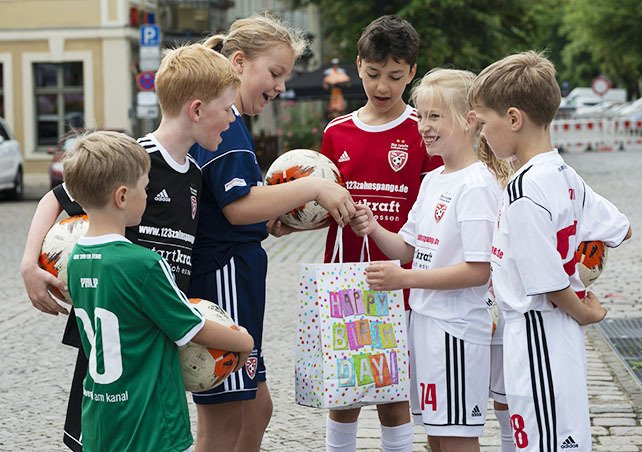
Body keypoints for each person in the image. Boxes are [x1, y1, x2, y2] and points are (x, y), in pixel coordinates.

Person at [19, 43, 241, 451]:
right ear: (196, 110)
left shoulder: (194, 173)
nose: (232, 119)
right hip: (115, 330)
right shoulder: (134, 160)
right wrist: (29, 264)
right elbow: (55, 197)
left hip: (156, 338)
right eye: (228, 109)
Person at [187, 14, 356, 452]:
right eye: (275, 73)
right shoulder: (225, 124)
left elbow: (235, 209)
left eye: (285, 77)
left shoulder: (233, 122)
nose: (280, 86)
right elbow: (237, 207)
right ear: (239, 62)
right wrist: (313, 187)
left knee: (256, 409)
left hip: (238, 273)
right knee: (224, 419)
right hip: (223, 276)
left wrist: (270, 221)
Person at [468, 51, 632, 452]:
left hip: (536, 331)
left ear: (513, 118)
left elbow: (549, 283)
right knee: (565, 435)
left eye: (484, 122)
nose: (482, 134)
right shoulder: (564, 173)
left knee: (544, 440)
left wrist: (586, 313)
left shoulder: (523, 190)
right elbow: (620, 228)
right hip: (559, 333)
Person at [351, 68, 514, 452]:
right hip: (424, 326)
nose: (423, 125)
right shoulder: (433, 179)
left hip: (456, 330)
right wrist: (373, 227)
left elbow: (478, 271)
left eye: (435, 116)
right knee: (438, 437)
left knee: (456, 437)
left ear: (469, 120)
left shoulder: (476, 185)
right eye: (421, 115)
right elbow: (408, 248)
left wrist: (405, 280)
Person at [62, 131, 254, 452]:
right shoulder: (145, 264)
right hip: (149, 426)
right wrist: (243, 341)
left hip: (99, 421)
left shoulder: (75, 259)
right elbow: (194, 327)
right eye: (145, 187)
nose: (148, 195)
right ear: (122, 197)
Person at [319, 15, 442, 452]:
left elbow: (434, 212)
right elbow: (320, 201)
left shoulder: (423, 131)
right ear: (358, 66)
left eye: (394, 75)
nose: (383, 86)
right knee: (345, 393)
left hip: (401, 283)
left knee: (394, 394)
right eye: (373, 74)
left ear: (412, 72)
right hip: (345, 281)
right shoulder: (337, 132)